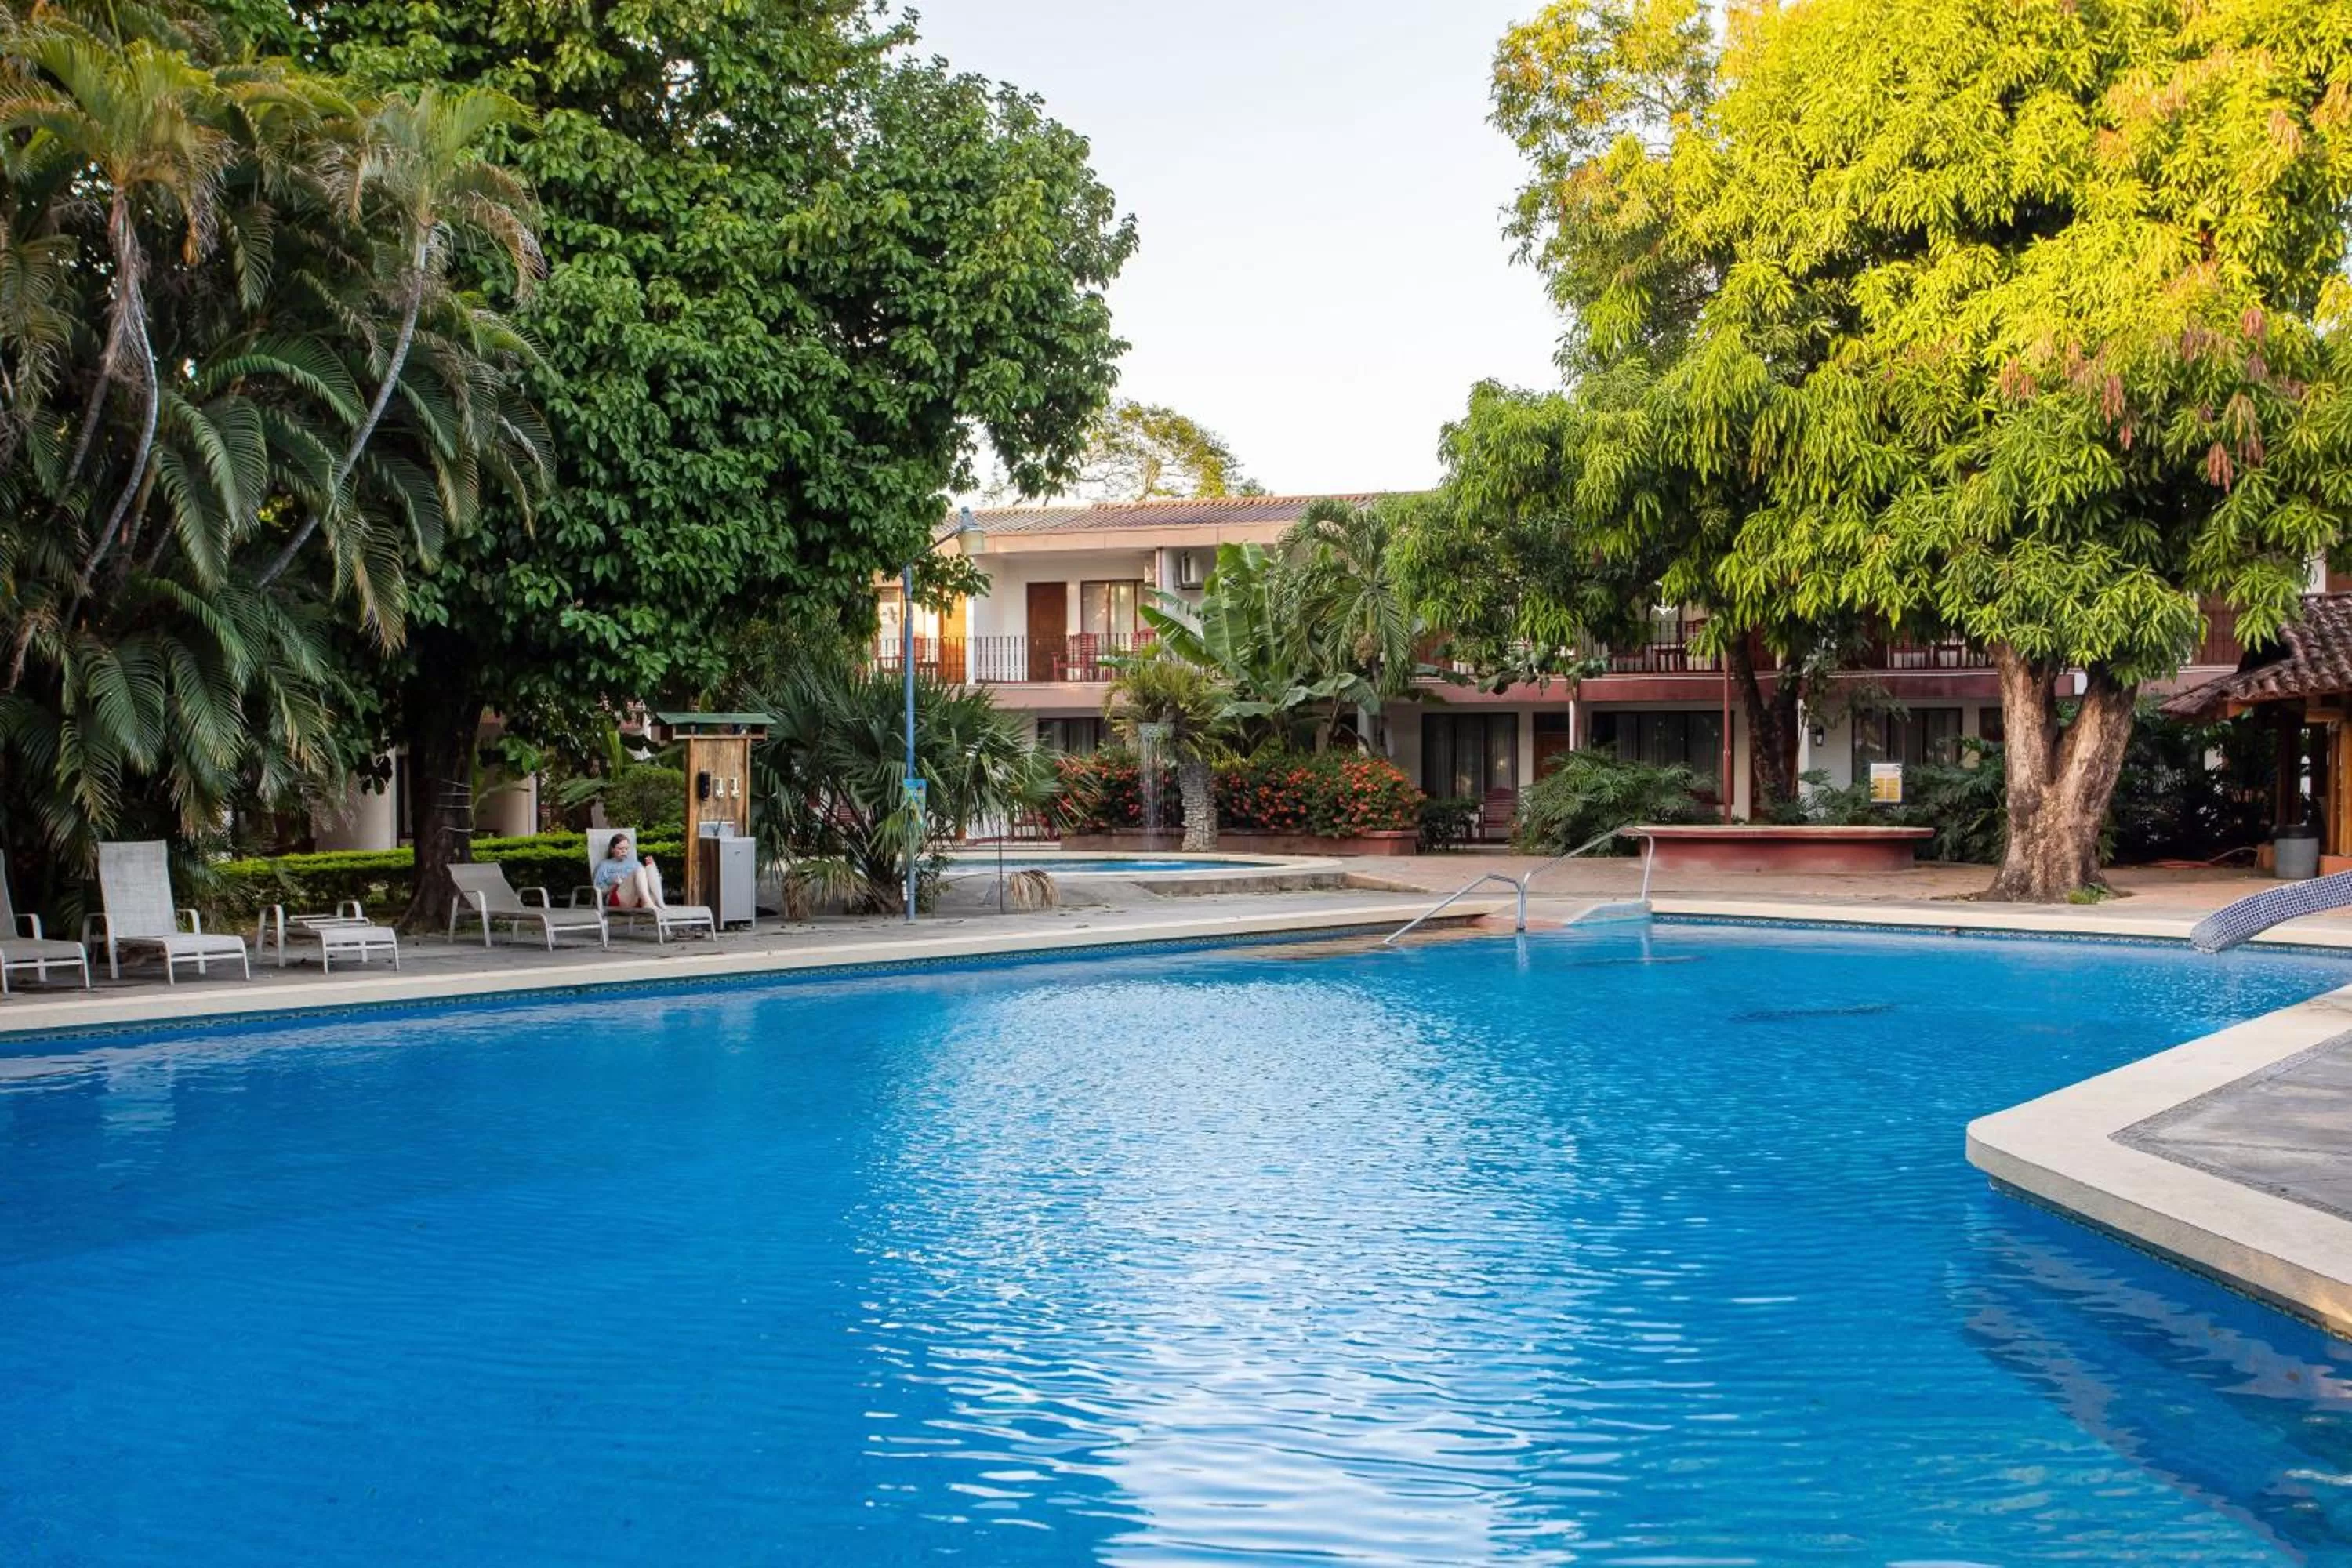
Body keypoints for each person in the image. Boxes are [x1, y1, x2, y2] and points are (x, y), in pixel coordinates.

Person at [593, 831, 668, 909]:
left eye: (626, 848)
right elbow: (598, 892)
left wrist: (653, 868)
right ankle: (648, 903)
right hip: (617, 898)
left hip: (637, 899)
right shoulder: (604, 865)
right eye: (620, 848)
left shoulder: (635, 863)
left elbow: (651, 882)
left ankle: (659, 903)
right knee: (640, 870)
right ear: (612, 849)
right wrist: (614, 885)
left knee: (650, 868)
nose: (624, 851)